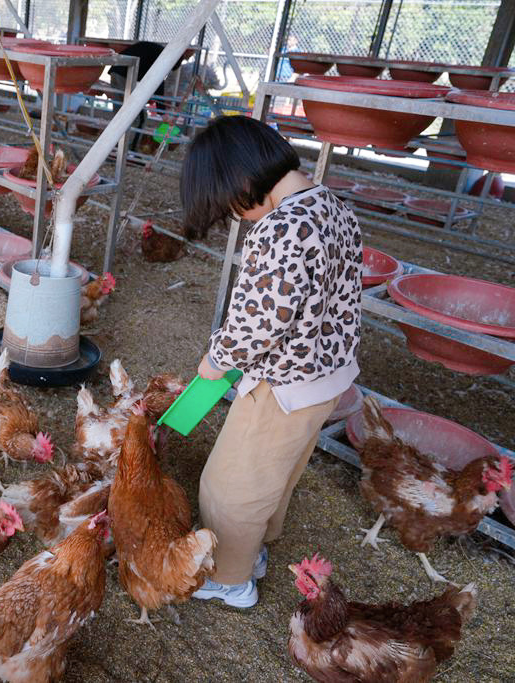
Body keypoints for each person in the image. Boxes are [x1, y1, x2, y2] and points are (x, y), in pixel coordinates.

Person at [179, 116, 362, 608]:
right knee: (276, 471)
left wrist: (217, 361)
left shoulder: (282, 227)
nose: (236, 216)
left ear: (241, 179)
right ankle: (256, 548)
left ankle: (231, 577)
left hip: (283, 384)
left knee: (229, 485)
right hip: (326, 378)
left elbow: (261, 319)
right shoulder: (332, 206)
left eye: (228, 204)